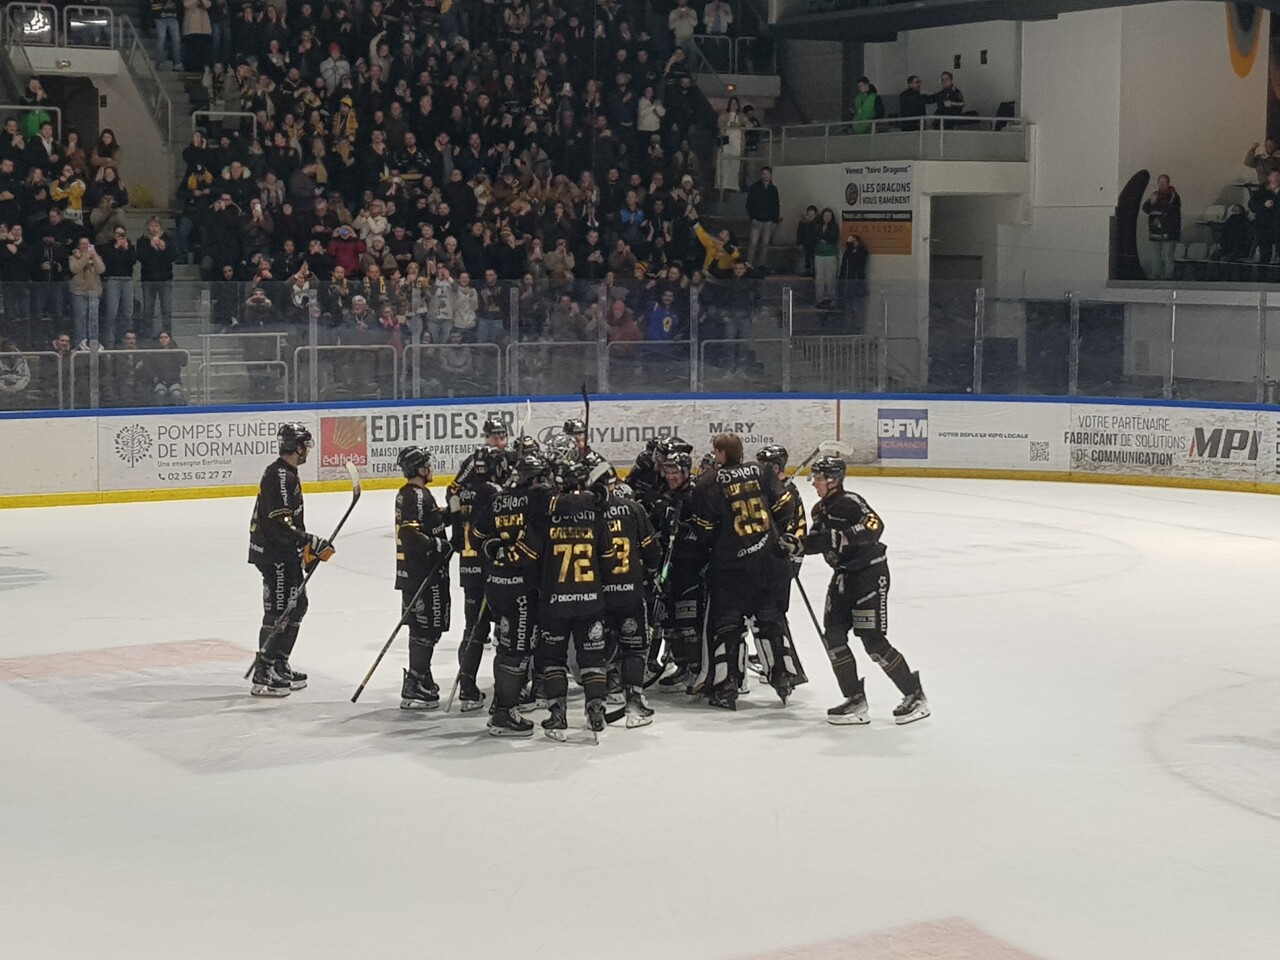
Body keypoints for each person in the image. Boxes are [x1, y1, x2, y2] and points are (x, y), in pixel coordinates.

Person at [781, 455, 929, 725]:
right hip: (843, 578)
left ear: (834, 479)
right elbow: (818, 541)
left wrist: (841, 537)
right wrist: (797, 545)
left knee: (873, 642)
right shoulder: (819, 511)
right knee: (834, 638)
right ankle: (854, 699)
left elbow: (875, 527)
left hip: (868, 575)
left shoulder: (851, 502)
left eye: (819, 477)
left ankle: (914, 694)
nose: (814, 482)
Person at [691, 432, 794, 709]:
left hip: (730, 568)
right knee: (770, 618)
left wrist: (724, 544)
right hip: (768, 562)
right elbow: (785, 505)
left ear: (722, 454)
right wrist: (772, 535)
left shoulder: (708, 482)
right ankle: (782, 677)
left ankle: (728, 685)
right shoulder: (761, 471)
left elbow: (704, 530)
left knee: (728, 625)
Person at [246, 423, 333, 697]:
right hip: (274, 555)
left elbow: (286, 524)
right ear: (296, 447)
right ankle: (264, 671)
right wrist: (307, 540)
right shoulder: (281, 476)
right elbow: (278, 524)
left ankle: (279, 663)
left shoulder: (286, 474)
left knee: (297, 606)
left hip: (284, 552)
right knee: (280, 611)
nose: (307, 450)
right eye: (305, 445)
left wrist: (304, 549)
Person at [472, 451, 555, 737]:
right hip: (522, 587)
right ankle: (504, 714)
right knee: (517, 652)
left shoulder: (498, 499)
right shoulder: (539, 498)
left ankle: (501, 704)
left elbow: (477, 535)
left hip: (495, 584)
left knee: (504, 646)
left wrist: (497, 550)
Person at [529, 459, 611, 738]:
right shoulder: (596, 512)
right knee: (592, 656)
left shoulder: (546, 514)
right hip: (590, 599)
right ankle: (596, 709)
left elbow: (532, 554)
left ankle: (557, 713)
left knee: (553, 657)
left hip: (555, 599)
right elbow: (608, 556)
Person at [446, 422, 510, 711]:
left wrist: (457, 532)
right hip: (494, 570)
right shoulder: (495, 492)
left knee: (473, 629)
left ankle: (468, 688)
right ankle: (511, 692)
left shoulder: (467, 492)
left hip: (468, 567)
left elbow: (453, 498)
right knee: (508, 629)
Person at [596, 461, 661, 727]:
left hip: (598, 593)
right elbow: (652, 551)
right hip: (630, 590)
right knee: (635, 644)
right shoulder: (633, 509)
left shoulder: (588, 512)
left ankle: (605, 690)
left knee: (599, 644)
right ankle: (634, 696)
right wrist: (653, 571)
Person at [394, 446, 454, 710]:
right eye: (427, 464)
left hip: (418, 574)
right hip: (423, 575)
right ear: (419, 469)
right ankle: (415, 680)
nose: (431, 467)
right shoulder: (415, 494)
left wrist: (455, 512)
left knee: (425, 627)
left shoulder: (417, 494)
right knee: (425, 628)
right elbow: (410, 534)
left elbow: (430, 519)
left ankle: (421, 675)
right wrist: (439, 545)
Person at [137, 217, 177, 338]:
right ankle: (148, 334)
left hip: (165, 278)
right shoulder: (142, 241)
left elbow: (173, 256)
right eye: (151, 226)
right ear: (148, 227)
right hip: (148, 279)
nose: (154, 228)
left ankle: (167, 334)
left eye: (156, 226)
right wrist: (150, 247)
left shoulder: (168, 239)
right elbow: (141, 258)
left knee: (166, 309)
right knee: (148, 309)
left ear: (160, 227)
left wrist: (164, 249)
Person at [1142, 173, 1182, 281]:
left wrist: (1155, 204)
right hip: (1155, 232)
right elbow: (1145, 209)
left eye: (1163, 182)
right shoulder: (1154, 194)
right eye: (1159, 182)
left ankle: (1168, 277)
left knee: (1168, 256)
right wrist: (1151, 202)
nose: (1161, 184)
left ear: (1168, 183)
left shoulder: (1173, 196)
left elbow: (1168, 208)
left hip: (1168, 232)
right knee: (1155, 256)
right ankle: (1155, 276)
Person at [67, 237, 105, 347]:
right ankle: (80, 342)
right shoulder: (73, 257)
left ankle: (93, 342)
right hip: (79, 291)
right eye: (82, 244)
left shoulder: (95, 256)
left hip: (93, 291)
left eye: (87, 244)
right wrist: (85, 257)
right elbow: (75, 268)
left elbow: (101, 269)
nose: (85, 246)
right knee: (80, 318)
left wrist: (94, 256)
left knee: (93, 319)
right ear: (79, 245)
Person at [745, 166, 780, 271]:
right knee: (753, 243)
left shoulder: (773, 189)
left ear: (771, 175)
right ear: (761, 175)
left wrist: (775, 220)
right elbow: (749, 204)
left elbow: (776, 205)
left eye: (767, 174)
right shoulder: (754, 188)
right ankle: (748, 264)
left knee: (765, 244)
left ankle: (761, 265)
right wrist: (752, 217)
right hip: (756, 220)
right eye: (764, 173)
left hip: (768, 221)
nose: (765, 176)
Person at [715, 98, 748, 193]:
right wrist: (728, 124)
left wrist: (739, 125)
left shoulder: (741, 116)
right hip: (726, 140)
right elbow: (720, 125)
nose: (733, 105)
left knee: (735, 163)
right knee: (724, 162)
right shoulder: (724, 115)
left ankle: (733, 185)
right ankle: (722, 184)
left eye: (735, 103)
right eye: (732, 103)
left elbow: (748, 125)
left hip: (737, 140)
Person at [838, 233, 869, 332]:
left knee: (857, 307)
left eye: (853, 241)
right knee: (848, 307)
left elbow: (858, 263)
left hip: (857, 282)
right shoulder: (848, 253)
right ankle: (847, 327)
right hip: (847, 282)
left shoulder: (862, 252)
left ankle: (858, 327)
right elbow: (843, 267)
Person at [148, 329, 187, 404]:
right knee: (160, 393)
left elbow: (183, 362)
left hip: (174, 381)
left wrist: (176, 348)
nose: (163, 339)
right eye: (161, 337)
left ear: (170, 339)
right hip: (160, 381)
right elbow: (150, 367)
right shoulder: (154, 353)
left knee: (176, 394)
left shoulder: (176, 352)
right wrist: (155, 378)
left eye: (166, 337)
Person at [813, 207, 839, 307]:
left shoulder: (834, 227)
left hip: (830, 255)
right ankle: (820, 298)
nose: (827, 218)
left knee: (830, 278)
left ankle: (831, 298)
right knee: (819, 278)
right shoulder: (818, 226)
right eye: (825, 216)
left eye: (829, 216)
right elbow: (815, 237)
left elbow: (832, 238)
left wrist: (824, 237)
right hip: (819, 254)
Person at [795, 204, 819, 276]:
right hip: (806, 243)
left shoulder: (818, 222)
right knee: (806, 258)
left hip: (815, 243)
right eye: (809, 213)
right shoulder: (802, 222)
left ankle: (815, 272)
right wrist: (799, 243)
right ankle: (807, 271)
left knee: (814, 259)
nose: (810, 215)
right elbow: (799, 233)